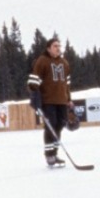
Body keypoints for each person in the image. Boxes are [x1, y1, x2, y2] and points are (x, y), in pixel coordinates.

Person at [28, 36, 74, 167]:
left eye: (59, 46)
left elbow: (67, 83)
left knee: (60, 125)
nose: (58, 48)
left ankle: (55, 152)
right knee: (50, 125)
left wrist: (68, 99)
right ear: (48, 48)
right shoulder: (42, 61)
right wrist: (35, 99)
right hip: (47, 101)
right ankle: (49, 156)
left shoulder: (64, 63)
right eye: (55, 46)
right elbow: (33, 81)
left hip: (61, 100)